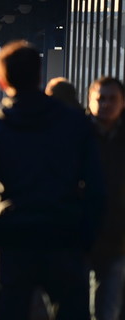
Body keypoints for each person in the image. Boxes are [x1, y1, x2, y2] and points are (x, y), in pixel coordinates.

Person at [0, 40, 105, 320]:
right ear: (40, 75)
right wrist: (86, 239)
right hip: (64, 237)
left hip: (12, 240)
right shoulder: (73, 122)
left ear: (1, 80)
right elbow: (95, 186)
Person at [88, 77, 125, 320]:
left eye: (112, 99)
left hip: (116, 238)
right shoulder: (76, 135)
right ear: (90, 101)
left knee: (107, 308)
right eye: (101, 99)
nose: (106, 104)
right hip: (79, 236)